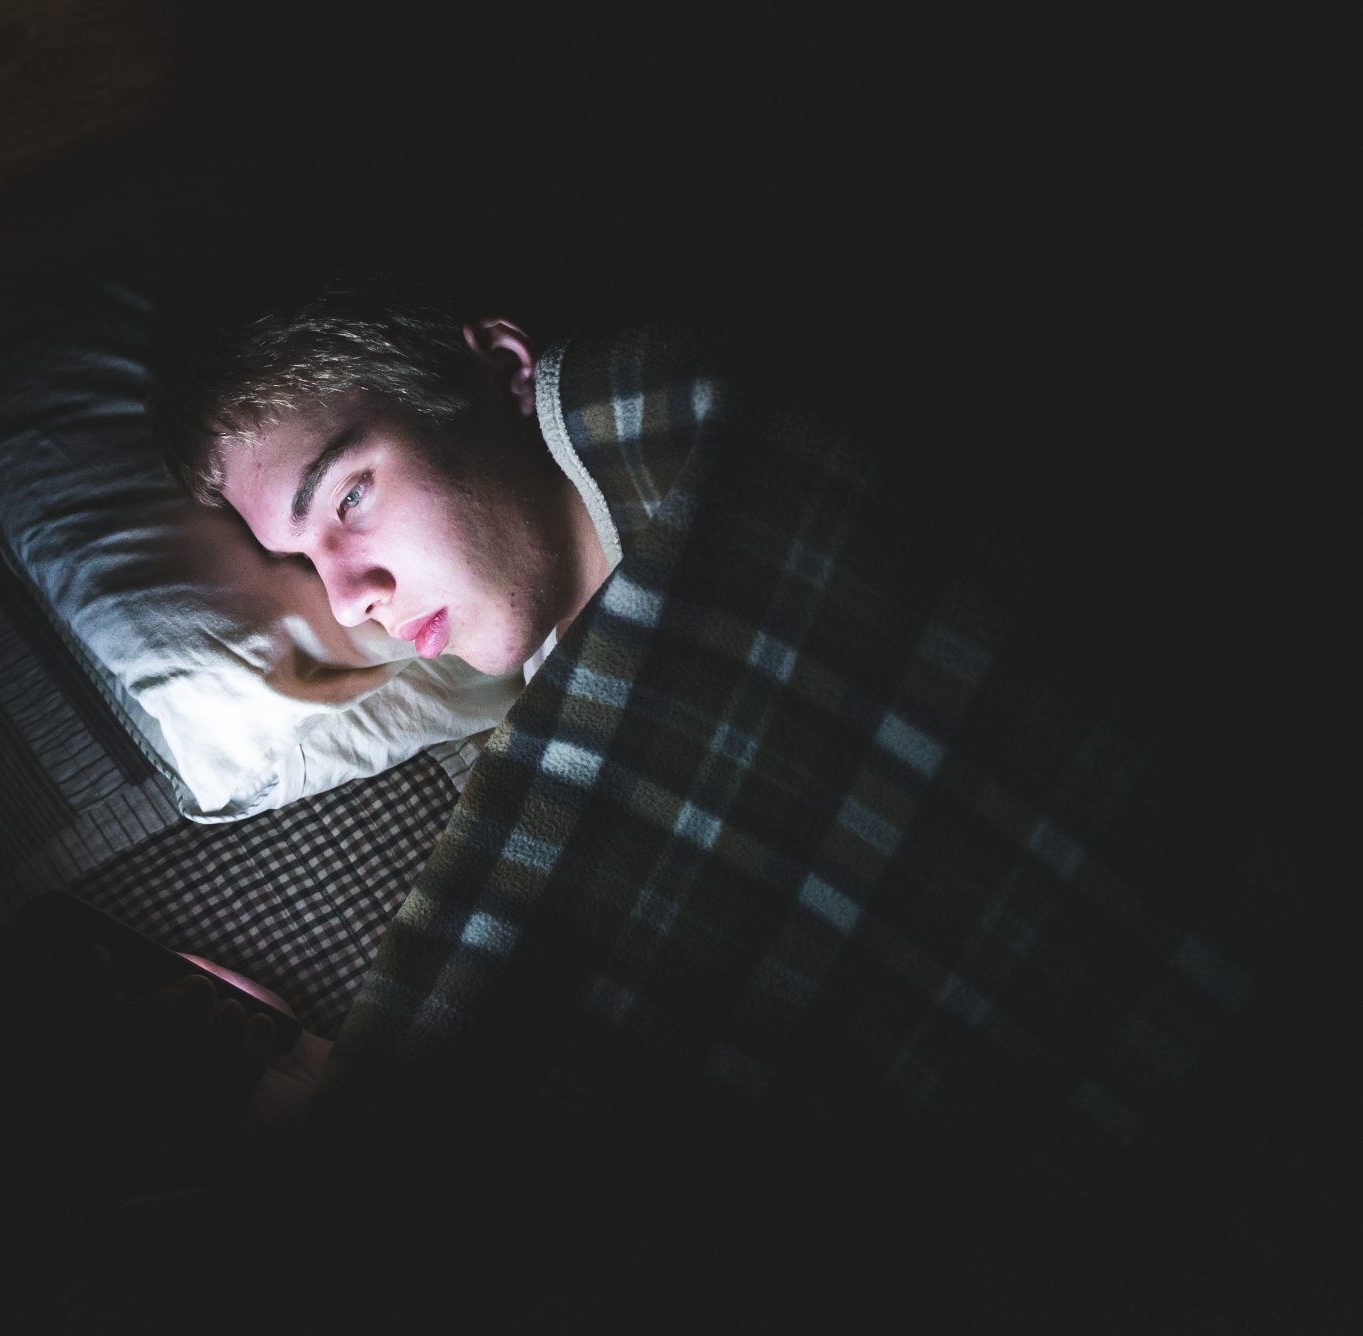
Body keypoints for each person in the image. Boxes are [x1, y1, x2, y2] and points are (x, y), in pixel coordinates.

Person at [135, 276, 1342, 1323]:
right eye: (300, 569)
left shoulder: (730, 435)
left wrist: (384, 1100)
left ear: (497, 369)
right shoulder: (571, 725)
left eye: (346, 499)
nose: (349, 599)